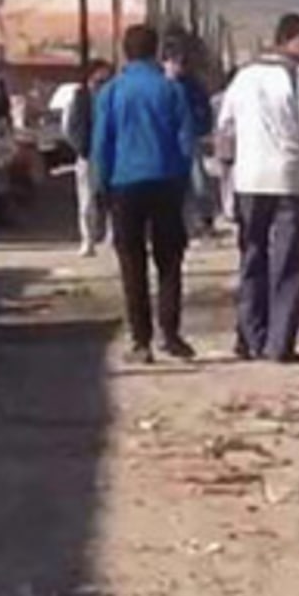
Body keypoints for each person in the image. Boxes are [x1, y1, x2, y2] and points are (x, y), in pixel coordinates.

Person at [91, 24, 202, 364]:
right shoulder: (171, 91)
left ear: (125, 51)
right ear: (155, 51)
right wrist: (187, 185)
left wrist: (100, 186)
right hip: (167, 182)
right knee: (169, 260)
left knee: (131, 262)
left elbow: (101, 144)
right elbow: (187, 142)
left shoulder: (111, 91)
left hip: (125, 184)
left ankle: (141, 341)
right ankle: (171, 333)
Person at [219, 12, 299, 363]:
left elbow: (225, 126)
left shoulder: (243, 77)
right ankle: (279, 343)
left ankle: (252, 336)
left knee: (252, 258)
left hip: (249, 180)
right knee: (289, 262)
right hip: (291, 181)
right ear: (288, 40)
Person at [161, 36, 217, 237]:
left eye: (182, 62)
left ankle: (205, 221)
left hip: (191, 141)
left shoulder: (192, 86)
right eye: (175, 61)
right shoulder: (159, 86)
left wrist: (202, 130)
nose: (179, 66)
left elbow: (205, 110)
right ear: (165, 62)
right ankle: (179, 225)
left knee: (199, 183)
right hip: (166, 143)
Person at [64, 60, 113, 256]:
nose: (103, 82)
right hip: (88, 155)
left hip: (111, 155)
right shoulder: (81, 97)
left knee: (112, 198)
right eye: (100, 78)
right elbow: (73, 126)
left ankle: (112, 236)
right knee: (87, 200)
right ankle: (88, 239)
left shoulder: (113, 96)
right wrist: (83, 149)